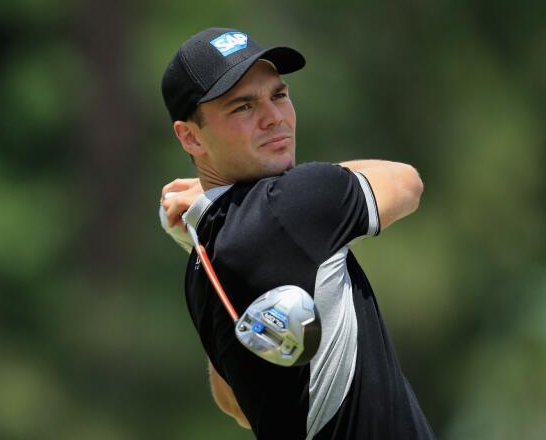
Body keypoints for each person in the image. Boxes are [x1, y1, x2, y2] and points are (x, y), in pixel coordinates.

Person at [157, 27, 435, 439]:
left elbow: (236, 405)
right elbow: (408, 183)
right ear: (191, 137)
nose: (275, 118)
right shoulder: (294, 204)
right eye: (243, 107)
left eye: (279, 95)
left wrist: (214, 202)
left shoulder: (201, 265)